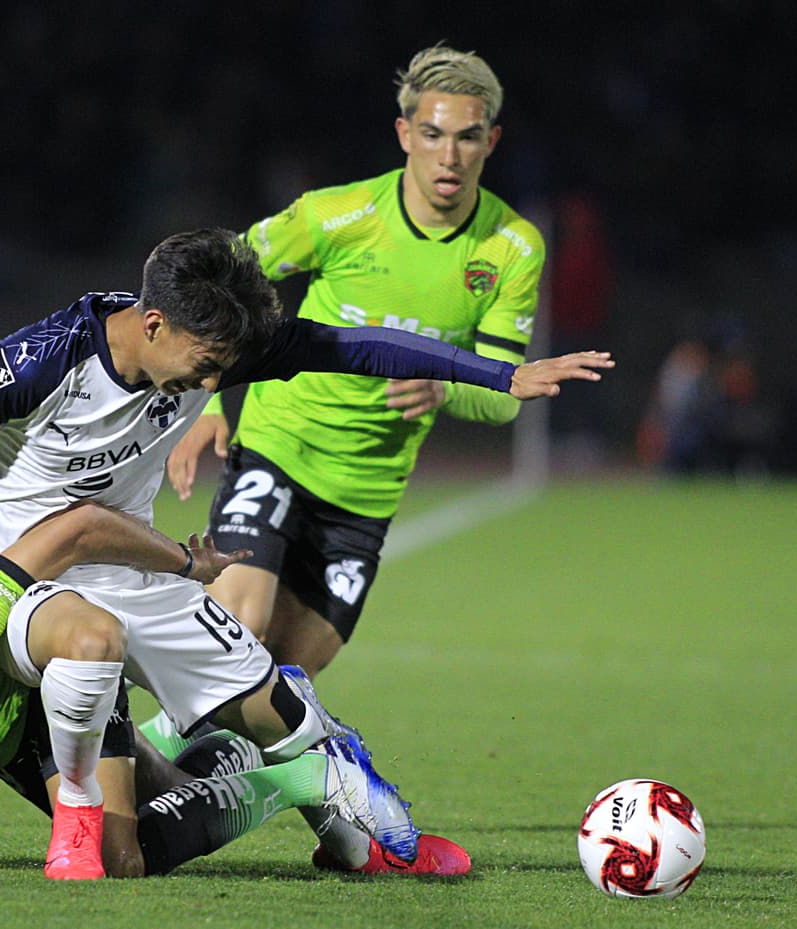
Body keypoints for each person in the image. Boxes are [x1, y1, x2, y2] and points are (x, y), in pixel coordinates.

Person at [0, 227, 611, 877]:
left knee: (288, 718)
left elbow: (352, 347)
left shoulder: (209, 340)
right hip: (37, 589)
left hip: (144, 569)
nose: (213, 383)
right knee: (122, 854)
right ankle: (204, 794)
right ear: (152, 325)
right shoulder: (41, 363)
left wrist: (502, 374)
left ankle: (357, 843)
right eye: (205, 365)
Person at [0, 501, 466, 877]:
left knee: (133, 857)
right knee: (170, 789)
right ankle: (209, 746)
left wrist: (183, 561)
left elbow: (74, 530)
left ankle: (306, 772)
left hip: (40, 708)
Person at [162, 46, 551, 685]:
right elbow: (210, 282)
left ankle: (184, 769)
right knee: (237, 627)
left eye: (466, 137)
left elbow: (505, 393)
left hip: (366, 493)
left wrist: (444, 389)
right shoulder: (336, 216)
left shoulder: (512, 247)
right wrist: (204, 401)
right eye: (432, 135)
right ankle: (136, 768)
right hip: (278, 446)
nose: (448, 156)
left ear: (491, 141)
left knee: (286, 680)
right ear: (405, 134)